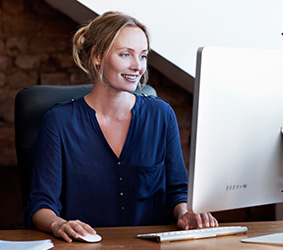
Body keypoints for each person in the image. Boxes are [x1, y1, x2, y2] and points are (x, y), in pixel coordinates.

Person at [23, 11, 218, 243]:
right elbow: (40, 205)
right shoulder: (58, 121)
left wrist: (185, 213)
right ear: (97, 56)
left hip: (151, 247)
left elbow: (177, 191)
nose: (138, 66)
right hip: (84, 247)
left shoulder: (161, 115)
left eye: (143, 56)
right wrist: (59, 224)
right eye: (126, 54)